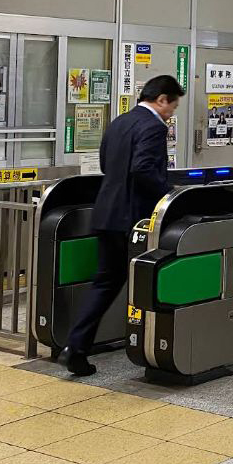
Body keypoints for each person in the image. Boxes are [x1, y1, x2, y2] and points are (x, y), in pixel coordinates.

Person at [59, 74, 184, 377]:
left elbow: (106, 165)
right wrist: (169, 196)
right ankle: (154, 345)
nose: (172, 113)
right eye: (173, 106)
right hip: (132, 219)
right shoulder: (153, 126)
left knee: (105, 282)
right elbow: (143, 169)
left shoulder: (119, 122)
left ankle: (76, 347)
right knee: (151, 278)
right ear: (162, 99)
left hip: (106, 213)